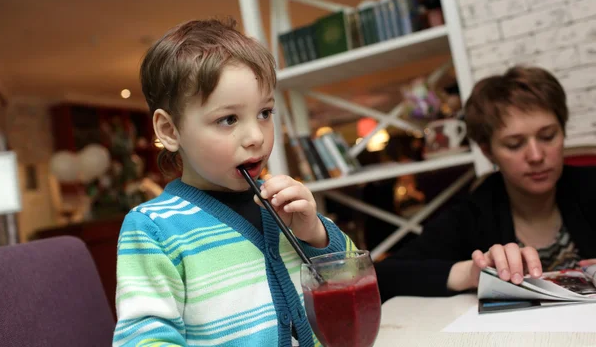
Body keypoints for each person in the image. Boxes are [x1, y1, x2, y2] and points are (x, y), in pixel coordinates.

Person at [113, 19, 356, 347]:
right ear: (170, 131)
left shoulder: (283, 203)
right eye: (228, 119)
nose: (256, 137)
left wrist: (315, 233)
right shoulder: (153, 229)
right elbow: (143, 341)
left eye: (265, 113)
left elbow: (356, 282)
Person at [375, 66, 596, 301]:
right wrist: (469, 272)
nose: (536, 155)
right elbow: (384, 276)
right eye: (514, 144)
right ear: (488, 151)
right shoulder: (473, 213)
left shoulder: (591, 185)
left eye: (548, 136)